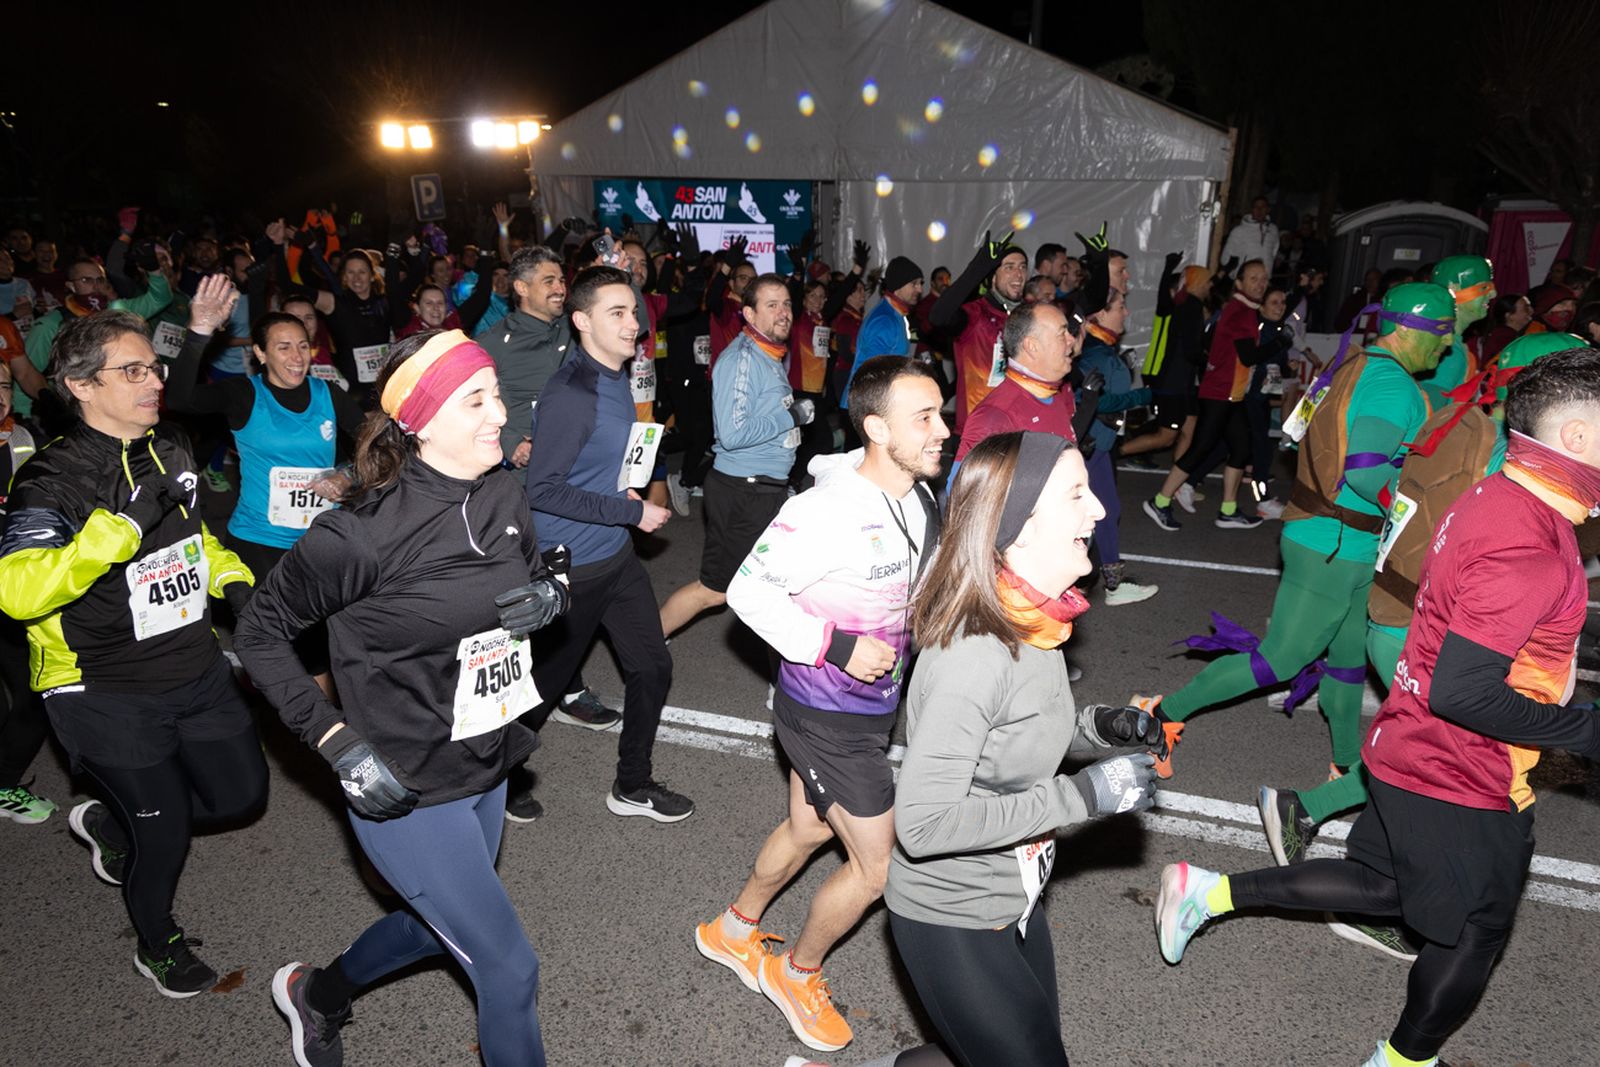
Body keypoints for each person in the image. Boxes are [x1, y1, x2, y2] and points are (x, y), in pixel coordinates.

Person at [1158, 346, 1600, 1067]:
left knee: (1384, 885)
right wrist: (1587, 728)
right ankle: (1401, 1062)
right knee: (1475, 930)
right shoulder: (1531, 543)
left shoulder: (1498, 496)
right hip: (1465, 773)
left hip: (1409, 743)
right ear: (1576, 438)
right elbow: (1468, 690)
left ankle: (1205, 892)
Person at [235, 328, 565, 1067]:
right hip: (402, 779)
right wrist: (335, 741)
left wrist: (550, 594)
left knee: (430, 924)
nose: (498, 415)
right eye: (473, 399)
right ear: (416, 419)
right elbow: (258, 634)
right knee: (510, 970)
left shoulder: (504, 489)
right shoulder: (359, 537)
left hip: (485, 754)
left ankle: (316, 993)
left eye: (496, 395)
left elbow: (538, 568)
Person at [0, 311, 265, 996]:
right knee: (166, 833)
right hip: (103, 689)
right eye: (133, 371)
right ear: (81, 386)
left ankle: (109, 820)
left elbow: (194, 541)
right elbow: (18, 590)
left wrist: (233, 581)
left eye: (154, 367)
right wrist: (111, 532)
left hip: (194, 667)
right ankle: (158, 942)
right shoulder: (50, 479)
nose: (155, 381)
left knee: (243, 795)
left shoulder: (169, 446)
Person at [696, 356, 945, 1054]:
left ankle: (733, 929)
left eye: (940, 413)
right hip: (825, 713)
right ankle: (795, 970)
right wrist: (834, 646)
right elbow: (748, 593)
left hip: (871, 709)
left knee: (807, 830)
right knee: (879, 866)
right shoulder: (822, 510)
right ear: (876, 427)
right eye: (924, 417)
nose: (942, 430)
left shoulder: (917, 498)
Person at [890, 430, 1160, 1066]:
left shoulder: (1034, 619)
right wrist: (1081, 795)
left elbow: (1020, 731)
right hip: (950, 909)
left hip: (1016, 886)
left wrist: (1100, 727)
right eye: (1076, 495)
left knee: (1022, 1051)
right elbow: (923, 825)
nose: (1098, 511)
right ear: (1017, 526)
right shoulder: (975, 654)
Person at [1136, 283, 1456, 779]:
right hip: (1334, 541)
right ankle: (1160, 716)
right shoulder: (1392, 385)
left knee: (1350, 663)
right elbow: (1367, 473)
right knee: (1279, 661)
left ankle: (1346, 762)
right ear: (1408, 328)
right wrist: (1427, 511)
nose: (1448, 344)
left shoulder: (1356, 364)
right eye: (1441, 332)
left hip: (1344, 541)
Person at [523, 265, 689, 821]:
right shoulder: (573, 391)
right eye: (615, 313)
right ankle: (488, 782)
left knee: (652, 667)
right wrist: (630, 510)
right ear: (581, 322)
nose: (632, 322)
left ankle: (632, 786)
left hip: (613, 556)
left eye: (633, 311)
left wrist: (627, 489)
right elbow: (542, 490)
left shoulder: (616, 374)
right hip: (569, 566)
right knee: (537, 692)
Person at [164, 276, 364, 690]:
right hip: (259, 541)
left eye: (303, 345)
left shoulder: (329, 395)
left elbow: (375, 450)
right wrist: (199, 331)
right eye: (283, 347)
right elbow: (181, 398)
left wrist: (349, 474)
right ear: (259, 352)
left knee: (317, 646)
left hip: (319, 541)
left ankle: (314, 732)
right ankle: (302, 727)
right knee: (279, 644)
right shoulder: (243, 394)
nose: (297, 357)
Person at [659, 273, 810, 638]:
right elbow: (733, 433)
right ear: (748, 314)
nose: (783, 312)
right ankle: (646, 643)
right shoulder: (742, 359)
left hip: (764, 488)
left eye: (787, 304)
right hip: (743, 491)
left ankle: (784, 681)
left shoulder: (770, 354)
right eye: (771, 305)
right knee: (715, 591)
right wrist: (791, 416)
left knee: (778, 586)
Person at [1144, 259, 1272, 531]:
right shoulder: (1240, 312)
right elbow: (1249, 356)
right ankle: (1160, 500)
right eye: (1253, 278)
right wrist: (1280, 342)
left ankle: (1227, 510)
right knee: (1201, 448)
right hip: (1219, 393)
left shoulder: (1244, 310)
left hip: (1230, 394)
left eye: (1263, 278)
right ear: (1239, 283)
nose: (1260, 284)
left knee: (1240, 448)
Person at [1076, 289, 1158, 604]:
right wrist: (1145, 396)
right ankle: (1070, 582)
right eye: (1120, 307)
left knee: (1108, 512)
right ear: (1099, 315)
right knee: (1084, 514)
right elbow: (1094, 399)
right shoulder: (1095, 352)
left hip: (1100, 442)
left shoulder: (1105, 348)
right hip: (1089, 444)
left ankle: (1112, 584)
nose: (1125, 312)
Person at [0, 356, 52, 824]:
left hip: (17, 594)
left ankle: (3, 783)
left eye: (1, 385)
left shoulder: (27, 439)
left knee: (35, 695)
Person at [931, 234, 1028, 435]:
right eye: (1009, 267)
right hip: (976, 433)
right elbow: (938, 316)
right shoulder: (975, 314)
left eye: (1022, 267)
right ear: (992, 276)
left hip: (1017, 430)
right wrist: (979, 266)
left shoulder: (1029, 316)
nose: (1018, 274)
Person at [1416, 256, 1496, 411]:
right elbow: (1430, 413)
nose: (1493, 294)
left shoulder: (1449, 344)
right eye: (1483, 288)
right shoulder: (1448, 350)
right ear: (1454, 291)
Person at [843, 256, 924, 402]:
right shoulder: (884, 320)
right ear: (899, 285)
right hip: (867, 404)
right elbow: (873, 371)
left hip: (877, 401)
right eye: (914, 284)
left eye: (920, 283)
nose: (920, 289)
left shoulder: (897, 315)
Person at [1220, 196, 1280, 270]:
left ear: (1268, 209)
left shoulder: (1273, 230)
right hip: (1245, 277)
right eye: (1256, 207)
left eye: (1263, 207)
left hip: (1264, 277)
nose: (1259, 210)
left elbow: (1274, 251)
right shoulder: (1239, 231)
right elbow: (1225, 258)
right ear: (1252, 210)